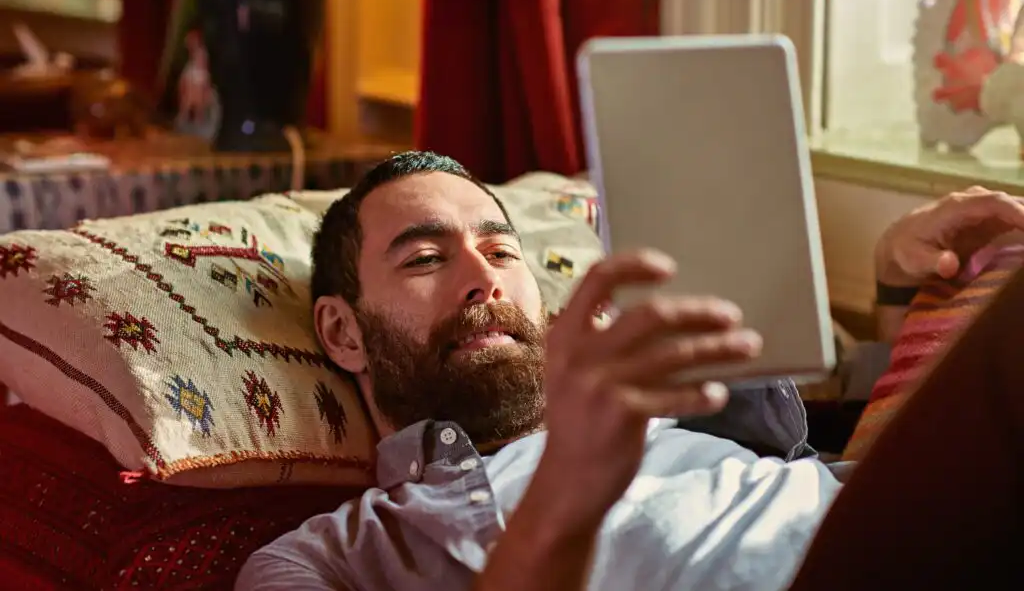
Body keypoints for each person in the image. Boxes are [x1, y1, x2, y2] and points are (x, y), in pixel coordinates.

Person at [236, 151, 1024, 591]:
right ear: (342, 331)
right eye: (427, 258)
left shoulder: (678, 400)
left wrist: (898, 285)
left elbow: (885, 459)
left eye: (503, 250)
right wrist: (569, 482)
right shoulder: (326, 558)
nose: (482, 278)